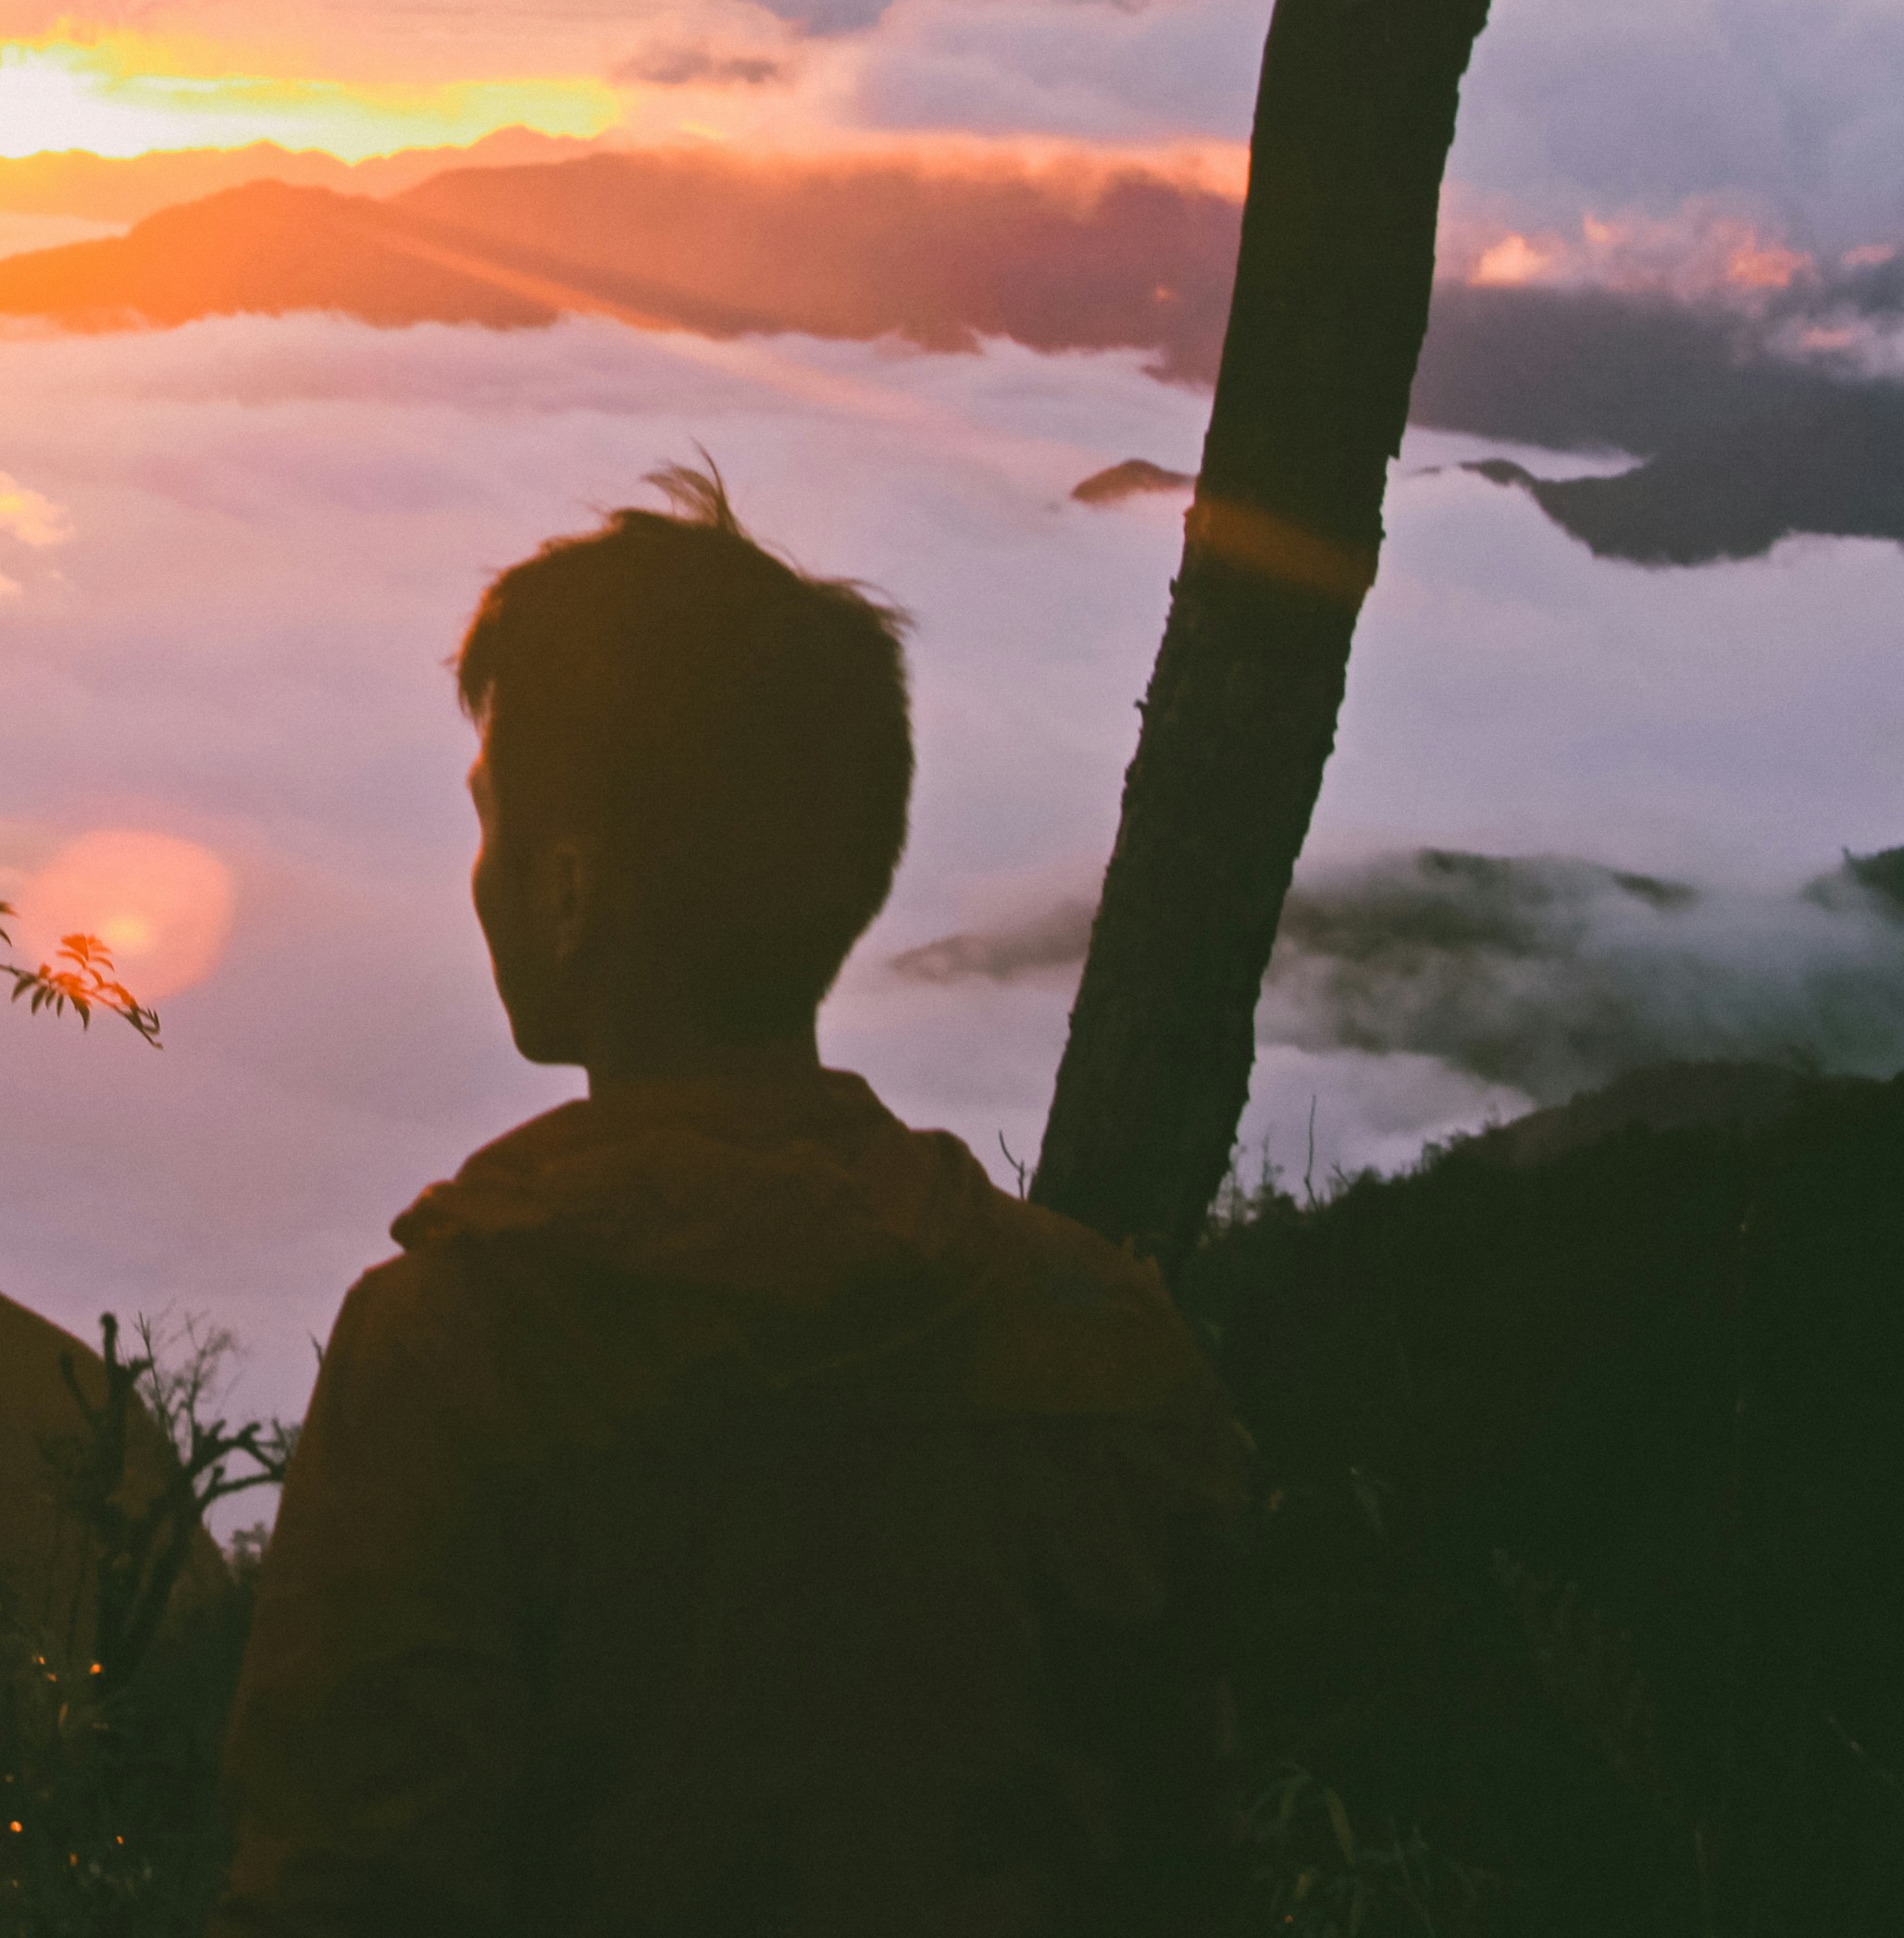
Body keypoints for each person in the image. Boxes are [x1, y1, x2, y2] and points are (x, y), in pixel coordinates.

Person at [210, 466, 1250, 1936]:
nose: (480, 874)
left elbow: (350, 1892)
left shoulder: (459, 1364)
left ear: (569, 894)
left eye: (493, 822)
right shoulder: (1101, 1343)